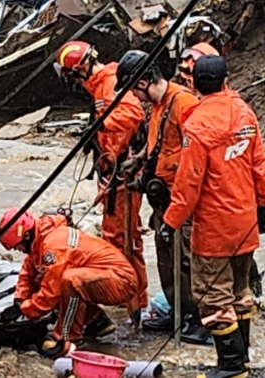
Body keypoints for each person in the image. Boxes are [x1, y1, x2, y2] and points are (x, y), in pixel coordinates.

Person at [163, 55, 265, 378]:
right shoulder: (244, 113)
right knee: (241, 291)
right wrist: (263, 208)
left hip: (213, 230)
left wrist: (170, 222)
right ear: (226, 80)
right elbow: (260, 167)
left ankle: (231, 366)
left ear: (194, 84)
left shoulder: (196, 125)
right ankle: (244, 357)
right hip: (246, 223)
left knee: (212, 298)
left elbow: (188, 185)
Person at [115, 50, 206, 343]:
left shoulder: (184, 104)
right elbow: (160, 145)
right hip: (161, 199)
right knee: (166, 258)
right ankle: (177, 311)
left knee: (188, 260)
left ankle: (201, 318)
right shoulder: (155, 107)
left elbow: (195, 153)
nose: (133, 96)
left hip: (183, 199)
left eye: (132, 88)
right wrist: (140, 159)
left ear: (143, 81)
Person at [54, 41, 147, 321]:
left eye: (73, 77)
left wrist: (100, 124)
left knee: (125, 240)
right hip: (112, 174)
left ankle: (135, 302)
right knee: (115, 238)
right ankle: (124, 296)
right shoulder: (100, 86)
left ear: (82, 68)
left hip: (124, 175)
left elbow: (133, 114)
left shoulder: (110, 84)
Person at [0, 208, 138, 358]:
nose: (17, 250)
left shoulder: (54, 245)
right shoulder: (41, 238)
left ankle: (67, 336)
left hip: (121, 280)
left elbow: (51, 293)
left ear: (25, 236)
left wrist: (25, 310)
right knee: (49, 278)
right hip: (101, 275)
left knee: (70, 281)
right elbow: (28, 271)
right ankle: (95, 320)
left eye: (17, 246)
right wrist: (19, 301)